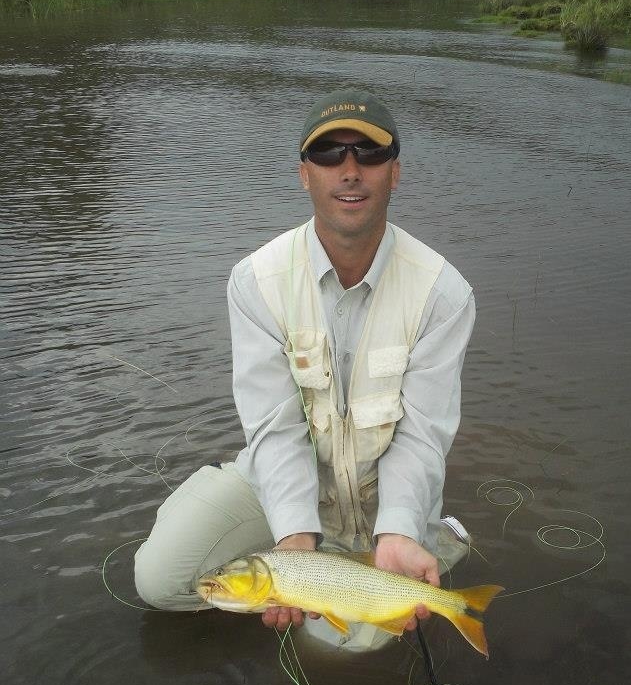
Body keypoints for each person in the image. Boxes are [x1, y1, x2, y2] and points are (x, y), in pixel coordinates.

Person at [134, 88, 475, 650]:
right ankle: (323, 553)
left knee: (351, 645)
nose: (349, 171)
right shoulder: (255, 281)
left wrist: (397, 528)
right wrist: (293, 537)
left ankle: (433, 536)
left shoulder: (444, 293)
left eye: (368, 155)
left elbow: (422, 435)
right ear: (303, 174)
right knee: (162, 580)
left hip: (377, 492)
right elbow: (273, 424)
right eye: (329, 155)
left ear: (395, 174)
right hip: (282, 479)